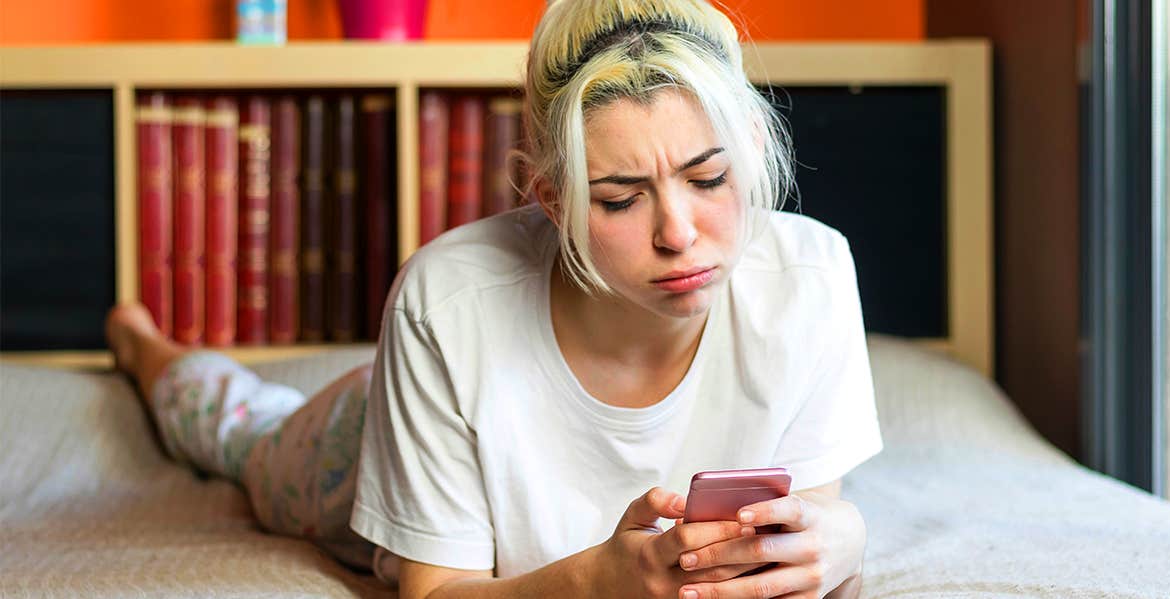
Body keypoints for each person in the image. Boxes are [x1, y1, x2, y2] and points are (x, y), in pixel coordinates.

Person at [105, 0, 883, 597]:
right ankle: (145, 347)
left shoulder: (809, 276)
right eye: (620, 199)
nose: (679, 232)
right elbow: (435, 587)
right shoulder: (446, 305)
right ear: (551, 198)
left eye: (708, 178)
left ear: (750, 144)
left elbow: (818, 509)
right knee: (243, 431)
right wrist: (596, 580)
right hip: (363, 434)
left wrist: (836, 540)